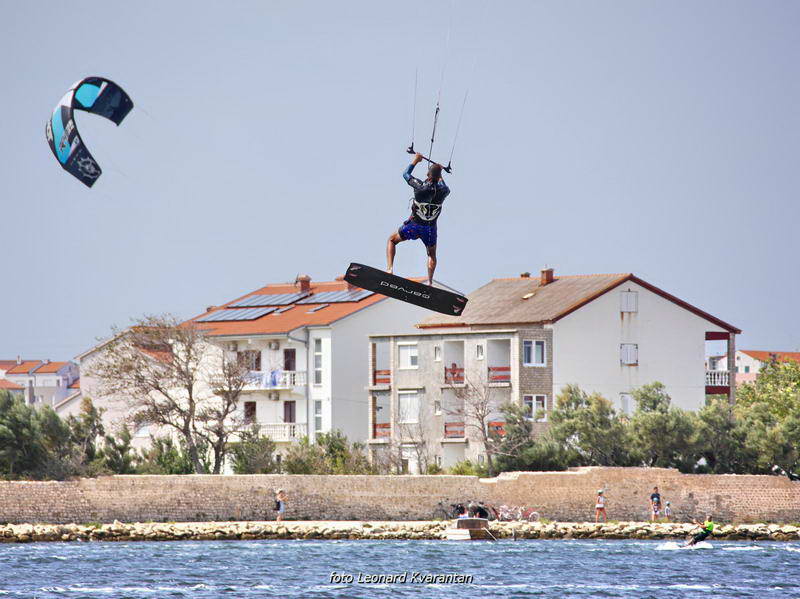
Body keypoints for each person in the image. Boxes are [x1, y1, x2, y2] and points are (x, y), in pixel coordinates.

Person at [386, 153, 450, 286]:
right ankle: (430, 282)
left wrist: (416, 160)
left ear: (427, 175)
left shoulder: (420, 187)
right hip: (430, 230)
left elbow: (406, 174)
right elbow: (442, 183)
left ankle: (389, 269)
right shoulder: (444, 191)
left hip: (414, 226)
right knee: (431, 254)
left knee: (392, 240)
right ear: (438, 177)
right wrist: (440, 172)